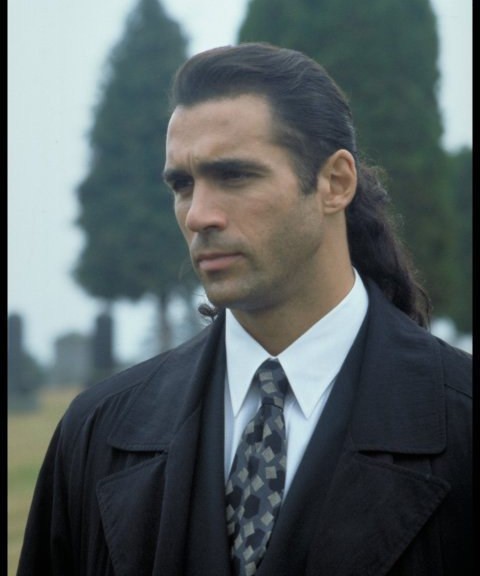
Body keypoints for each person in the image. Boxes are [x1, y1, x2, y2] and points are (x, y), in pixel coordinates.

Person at [18, 43, 472, 576]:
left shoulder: (461, 425)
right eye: (182, 185)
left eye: (234, 176)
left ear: (335, 183)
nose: (198, 215)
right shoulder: (97, 433)